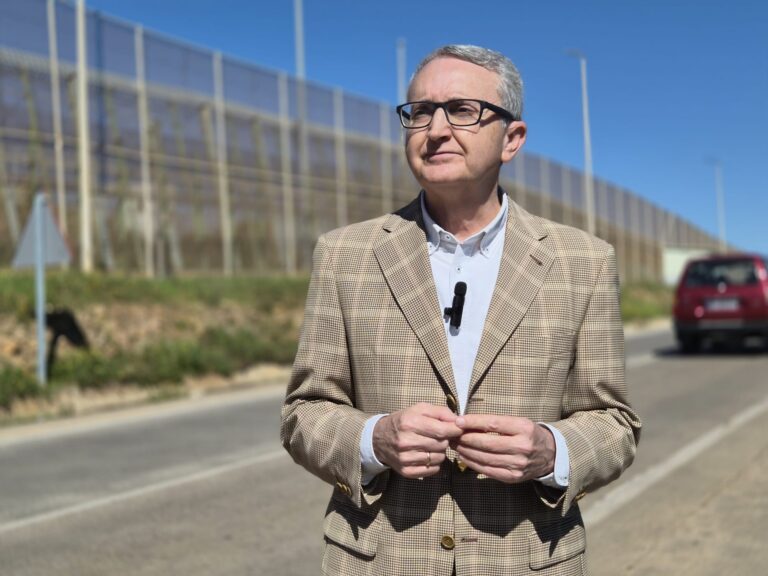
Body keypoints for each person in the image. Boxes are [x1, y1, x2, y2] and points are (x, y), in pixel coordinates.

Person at [281, 44, 641, 576]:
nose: (436, 129)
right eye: (420, 112)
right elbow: (304, 411)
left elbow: (614, 423)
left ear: (512, 138)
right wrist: (373, 439)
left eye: (462, 110)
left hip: (526, 561)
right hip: (382, 561)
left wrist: (552, 451)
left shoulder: (582, 261)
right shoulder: (345, 254)